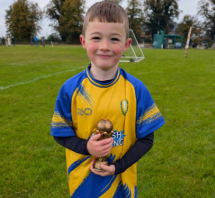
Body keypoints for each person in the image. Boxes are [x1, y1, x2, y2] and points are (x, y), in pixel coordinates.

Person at [50, 1, 165, 198]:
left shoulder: (136, 90)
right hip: (82, 185)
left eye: (114, 39)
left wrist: (118, 167)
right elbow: (60, 133)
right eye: (96, 37)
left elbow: (146, 139)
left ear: (127, 44)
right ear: (83, 41)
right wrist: (86, 147)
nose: (105, 46)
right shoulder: (70, 90)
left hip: (122, 186)